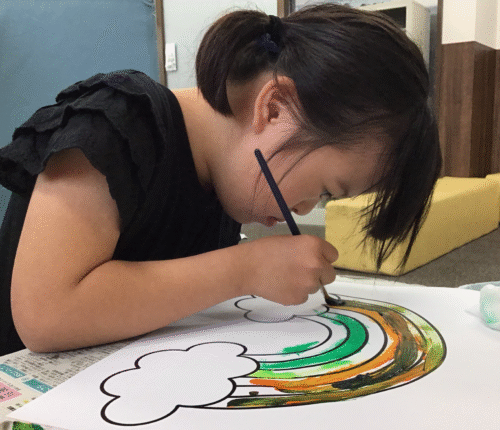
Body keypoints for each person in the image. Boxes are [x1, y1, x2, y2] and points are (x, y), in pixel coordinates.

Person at [0, 4, 441, 356]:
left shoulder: (225, 187)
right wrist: (245, 269)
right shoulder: (116, 122)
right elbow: (45, 315)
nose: (307, 208)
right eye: (326, 189)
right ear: (274, 109)